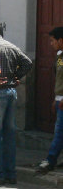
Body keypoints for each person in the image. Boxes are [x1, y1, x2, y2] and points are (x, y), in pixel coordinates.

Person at [0, 22, 32, 185]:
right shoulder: (11, 46)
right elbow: (27, 63)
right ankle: (11, 173)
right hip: (11, 92)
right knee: (9, 134)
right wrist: (15, 76)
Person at [37, 27, 63, 174]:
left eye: (53, 41)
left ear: (60, 40)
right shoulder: (60, 57)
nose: (51, 44)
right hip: (60, 99)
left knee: (59, 132)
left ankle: (50, 160)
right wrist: (57, 98)